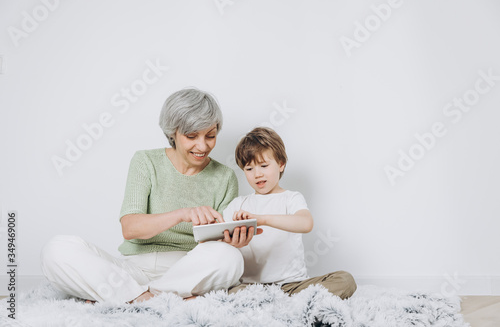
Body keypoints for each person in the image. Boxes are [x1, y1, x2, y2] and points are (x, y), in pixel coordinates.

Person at [40, 88, 258, 304]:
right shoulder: (145, 162)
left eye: (210, 136)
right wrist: (183, 214)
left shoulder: (225, 177)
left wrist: (234, 240)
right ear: (173, 132)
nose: (203, 146)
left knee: (231, 258)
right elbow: (130, 228)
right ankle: (157, 298)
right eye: (191, 136)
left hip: (186, 271)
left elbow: (216, 245)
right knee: (57, 249)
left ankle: (135, 297)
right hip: (130, 271)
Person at [225, 127, 357, 299]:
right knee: (231, 292)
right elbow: (217, 237)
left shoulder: (291, 198)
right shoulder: (238, 204)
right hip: (253, 287)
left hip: (293, 286)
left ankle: (283, 304)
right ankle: (281, 305)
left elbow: (305, 223)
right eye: (249, 169)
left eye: (264, 166)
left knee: (345, 280)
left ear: (281, 164)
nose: (257, 174)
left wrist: (262, 219)